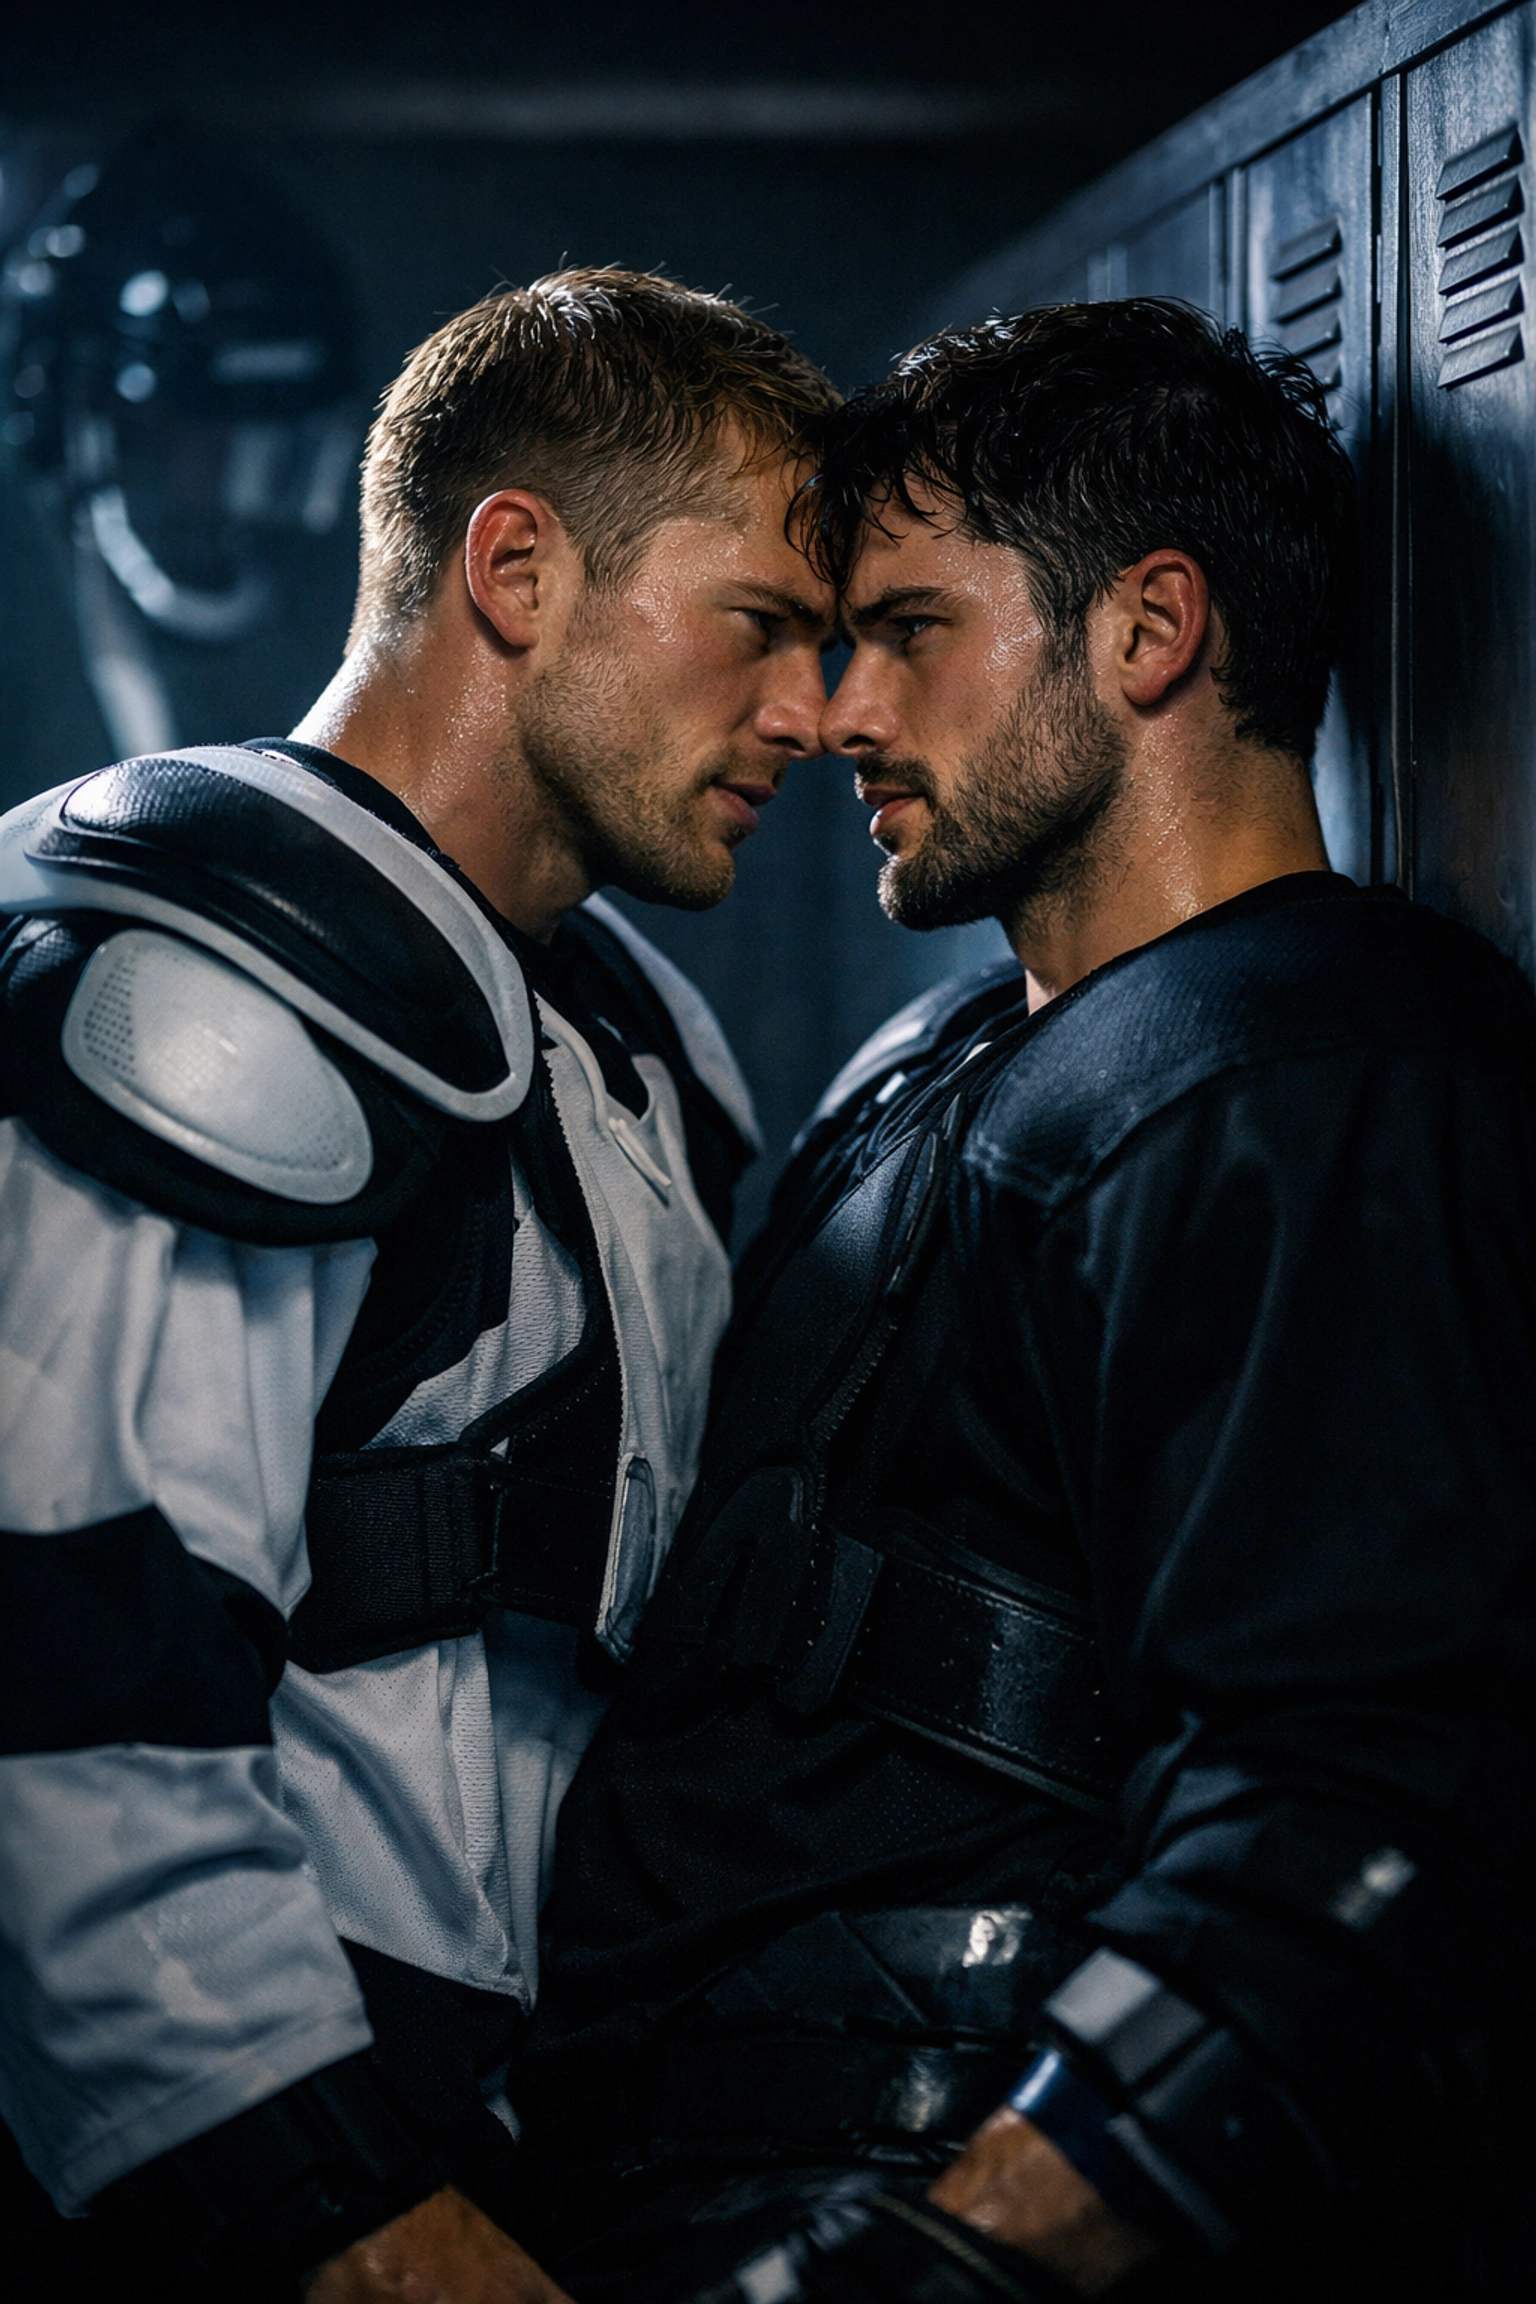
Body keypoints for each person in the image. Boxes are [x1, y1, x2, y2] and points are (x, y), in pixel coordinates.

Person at [514, 301, 1536, 2304]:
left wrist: (959, 2256)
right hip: (683, 2193)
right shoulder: (938, 1056)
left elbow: (1362, 1783)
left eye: (908, 629)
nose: (840, 712)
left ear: (1150, 633)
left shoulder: (1309, 1075)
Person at [0, 265, 837, 2302]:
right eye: (761, 630)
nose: (817, 716)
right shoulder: (201, 993)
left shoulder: (643, 1036)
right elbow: (68, 1713)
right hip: (272, 2191)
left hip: (537, 2131)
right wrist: (344, 2218)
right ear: (520, 570)